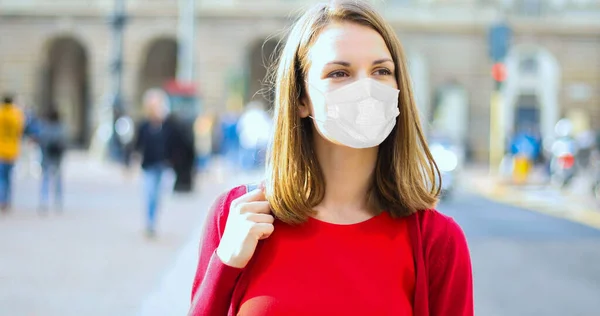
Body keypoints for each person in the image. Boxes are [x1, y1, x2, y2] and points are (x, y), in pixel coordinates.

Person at [189, 1, 473, 315]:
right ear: (301, 98)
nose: (366, 88)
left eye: (381, 71)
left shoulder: (436, 241)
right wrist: (225, 264)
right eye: (339, 72)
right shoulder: (238, 216)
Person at [134, 89, 175, 238]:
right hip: (149, 165)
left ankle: (153, 221)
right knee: (149, 194)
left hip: (163, 166)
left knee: (158, 196)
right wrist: (132, 162)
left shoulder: (166, 125)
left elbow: (174, 144)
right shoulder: (144, 125)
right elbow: (137, 145)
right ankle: (149, 224)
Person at [37, 108, 67, 213]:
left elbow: (42, 141)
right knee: (57, 181)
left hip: (46, 158)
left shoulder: (45, 127)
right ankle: (58, 202)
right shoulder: (61, 128)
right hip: (57, 159)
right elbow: (64, 143)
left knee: (45, 179)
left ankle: (44, 201)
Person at [0, 94, 25, 212]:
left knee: (1, 178)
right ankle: (8, 201)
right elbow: (20, 131)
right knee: (9, 178)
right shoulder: (17, 115)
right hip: (13, 150)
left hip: (1, 151)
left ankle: (2, 200)